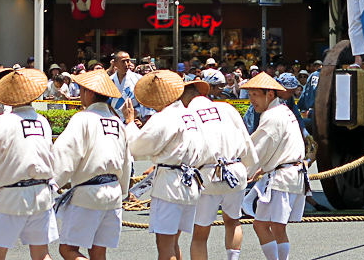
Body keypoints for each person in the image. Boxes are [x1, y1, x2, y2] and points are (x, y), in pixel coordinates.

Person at [0, 68, 59, 260]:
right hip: (41, 193)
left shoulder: (0, 123)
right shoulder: (42, 121)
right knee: (42, 254)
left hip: (10, 197)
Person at [53, 68, 134, 260]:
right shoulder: (116, 122)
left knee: (68, 249)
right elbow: (126, 160)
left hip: (88, 194)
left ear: (89, 92)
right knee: (98, 252)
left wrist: (52, 182)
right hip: (113, 192)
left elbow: (65, 153)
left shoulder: (83, 118)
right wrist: (122, 189)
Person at [126, 70, 205, 260]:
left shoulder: (165, 117)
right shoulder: (190, 115)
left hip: (171, 184)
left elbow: (137, 147)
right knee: (173, 242)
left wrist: (130, 123)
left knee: (165, 245)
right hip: (190, 180)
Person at [185, 71, 258, 260]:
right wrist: (249, 167)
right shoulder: (226, 109)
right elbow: (246, 139)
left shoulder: (188, 114)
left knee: (200, 233)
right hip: (235, 172)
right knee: (233, 221)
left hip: (207, 177)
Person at [241, 73, 307, 260]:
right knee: (269, 226)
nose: (251, 100)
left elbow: (256, 151)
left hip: (283, 176)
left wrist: (240, 173)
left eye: (255, 95)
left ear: (269, 94)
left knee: (270, 226)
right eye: (250, 95)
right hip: (288, 172)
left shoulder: (272, 115)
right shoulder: (283, 110)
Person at [110, 51, 152, 124]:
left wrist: (142, 120)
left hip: (133, 120)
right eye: (123, 62)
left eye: (128, 61)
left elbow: (145, 102)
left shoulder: (138, 79)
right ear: (115, 64)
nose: (126, 64)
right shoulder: (110, 81)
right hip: (113, 121)